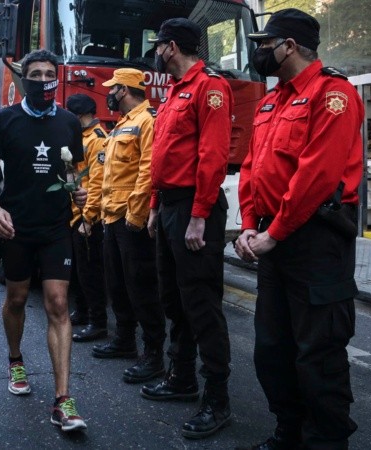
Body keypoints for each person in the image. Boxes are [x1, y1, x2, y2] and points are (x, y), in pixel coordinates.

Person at [235, 9, 364, 449]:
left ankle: (324, 441)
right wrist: (249, 226)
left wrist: (273, 234)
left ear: (288, 45)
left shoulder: (334, 94)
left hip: (314, 240)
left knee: (318, 355)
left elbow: (316, 177)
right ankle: (287, 433)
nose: (259, 52)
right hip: (273, 240)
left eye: (265, 43)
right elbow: (253, 168)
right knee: (272, 350)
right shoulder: (273, 100)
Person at [0, 49, 89, 433]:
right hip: (16, 228)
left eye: (49, 74)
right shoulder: (5, 120)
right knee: (17, 299)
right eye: (36, 73)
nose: (43, 79)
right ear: (25, 78)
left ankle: (63, 400)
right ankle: (15, 359)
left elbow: (74, 172)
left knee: (58, 303)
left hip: (56, 227)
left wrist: (78, 192)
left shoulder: (69, 123)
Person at [141, 18, 233, 439]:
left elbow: (212, 157)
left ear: (171, 47)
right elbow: (166, 157)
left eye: (158, 45)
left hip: (197, 210)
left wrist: (198, 216)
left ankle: (217, 399)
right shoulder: (176, 91)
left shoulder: (211, 88)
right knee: (172, 297)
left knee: (202, 305)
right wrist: (158, 206)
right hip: (172, 206)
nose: (155, 52)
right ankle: (182, 378)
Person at [90, 69, 167, 385]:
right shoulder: (121, 124)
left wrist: (136, 217)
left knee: (142, 288)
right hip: (112, 217)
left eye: (112, 88)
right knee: (117, 284)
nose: (108, 93)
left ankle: (153, 356)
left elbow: (148, 171)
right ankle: (124, 340)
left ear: (124, 90)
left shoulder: (148, 120)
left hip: (129, 220)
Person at [64, 93, 108, 343]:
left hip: (88, 218)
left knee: (91, 272)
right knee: (79, 270)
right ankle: (81, 311)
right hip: (74, 215)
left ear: (80, 116)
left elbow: (98, 183)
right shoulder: (78, 138)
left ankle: (98, 322)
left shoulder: (97, 141)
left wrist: (88, 219)